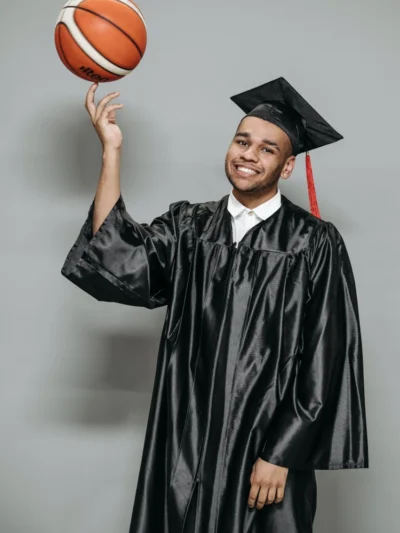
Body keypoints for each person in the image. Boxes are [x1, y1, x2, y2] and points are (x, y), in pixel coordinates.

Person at [61, 76, 369, 533]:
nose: (249, 154)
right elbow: (118, 255)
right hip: (186, 442)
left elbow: (327, 356)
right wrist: (112, 151)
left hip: (263, 444)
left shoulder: (313, 242)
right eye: (242, 141)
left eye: (267, 148)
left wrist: (282, 453)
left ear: (287, 166)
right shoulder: (190, 227)